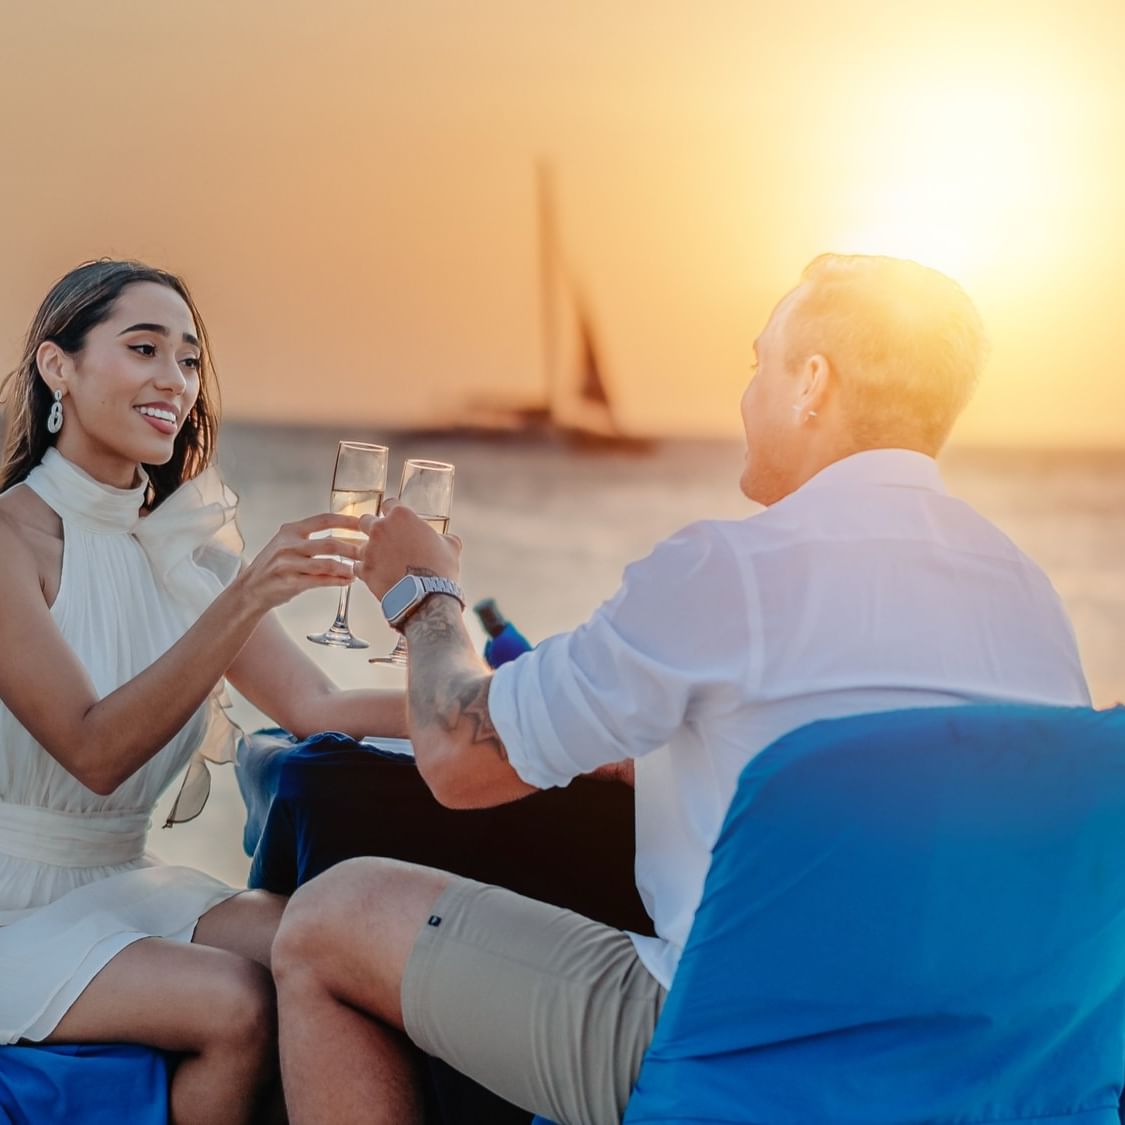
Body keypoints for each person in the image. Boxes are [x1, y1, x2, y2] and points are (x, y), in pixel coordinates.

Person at [271, 254, 1092, 1125]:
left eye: (757, 362)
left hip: (746, 1069)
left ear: (811, 382)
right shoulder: (1026, 594)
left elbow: (455, 754)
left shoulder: (727, 570)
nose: (744, 396)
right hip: (983, 1075)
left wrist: (424, 594)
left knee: (328, 920)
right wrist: (662, 764)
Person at [0, 260, 407, 1125]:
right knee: (234, 1000)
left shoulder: (184, 549)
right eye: (144, 348)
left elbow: (319, 707)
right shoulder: (8, 540)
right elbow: (94, 748)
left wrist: (496, 697)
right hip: (10, 904)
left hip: (125, 878)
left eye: (188, 359)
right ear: (56, 367)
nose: (174, 380)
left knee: (335, 942)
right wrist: (248, 593)